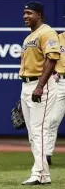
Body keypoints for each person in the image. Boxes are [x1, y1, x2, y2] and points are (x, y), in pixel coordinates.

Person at [19, 1, 60, 185]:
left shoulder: (47, 32)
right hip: (27, 85)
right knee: (33, 133)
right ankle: (41, 173)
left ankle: (41, 174)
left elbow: (52, 60)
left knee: (39, 131)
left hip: (41, 84)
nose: (25, 16)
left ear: (39, 15)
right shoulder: (29, 37)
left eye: (29, 13)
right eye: (24, 13)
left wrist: (40, 86)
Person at [46, 18, 65, 165]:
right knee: (53, 120)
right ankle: (46, 154)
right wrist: (54, 72)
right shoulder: (57, 39)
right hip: (61, 82)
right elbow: (49, 58)